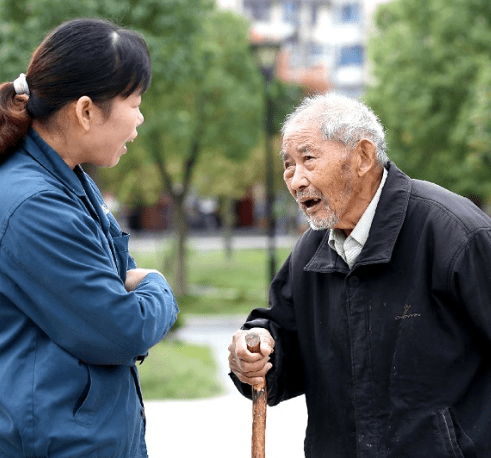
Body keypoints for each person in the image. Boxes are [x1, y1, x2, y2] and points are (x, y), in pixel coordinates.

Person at [228, 92, 491, 457]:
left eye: (308, 159)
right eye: (288, 165)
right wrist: (255, 351)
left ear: (364, 157)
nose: (295, 180)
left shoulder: (453, 233)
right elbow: (284, 348)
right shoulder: (310, 252)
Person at [0, 18, 178, 458]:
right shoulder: (35, 204)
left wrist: (130, 282)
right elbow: (123, 329)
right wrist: (159, 284)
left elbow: (112, 277)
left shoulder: (67, 178)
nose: (140, 119)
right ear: (85, 111)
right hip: (58, 445)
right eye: (134, 103)